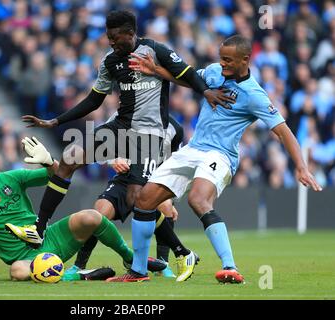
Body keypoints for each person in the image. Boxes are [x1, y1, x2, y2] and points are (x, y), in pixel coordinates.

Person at [8, 10, 233, 282]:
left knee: (140, 200)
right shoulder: (111, 60)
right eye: (108, 37)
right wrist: (56, 121)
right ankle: (40, 227)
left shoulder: (155, 50)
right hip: (121, 128)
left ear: (130, 33)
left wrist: (205, 91)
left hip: (149, 135)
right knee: (69, 158)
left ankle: (178, 252)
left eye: (116, 37)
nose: (112, 42)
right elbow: (94, 99)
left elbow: (185, 72)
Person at [106, 35, 323, 283]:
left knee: (198, 199)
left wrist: (301, 167)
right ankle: (138, 272)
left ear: (245, 60)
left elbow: (283, 131)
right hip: (193, 149)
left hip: (220, 154)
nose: (223, 64)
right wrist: (155, 70)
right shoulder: (213, 71)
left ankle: (230, 267)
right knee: (144, 200)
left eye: (229, 60)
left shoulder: (254, 95)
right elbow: (189, 79)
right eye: (221, 59)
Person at [0, 138, 166, 281]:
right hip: (28, 259)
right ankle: (82, 275)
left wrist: (49, 161)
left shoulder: (11, 178)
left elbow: (55, 176)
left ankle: (129, 256)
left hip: (48, 237)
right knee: (17, 272)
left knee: (92, 216)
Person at [64, 115, 199, 282]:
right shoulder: (123, 114)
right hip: (125, 178)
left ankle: (162, 264)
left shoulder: (175, 129)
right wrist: (113, 159)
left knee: (165, 206)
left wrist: (170, 197)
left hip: (153, 180)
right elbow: (100, 143)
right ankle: (79, 265)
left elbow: (174, 165)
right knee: (100, 211)